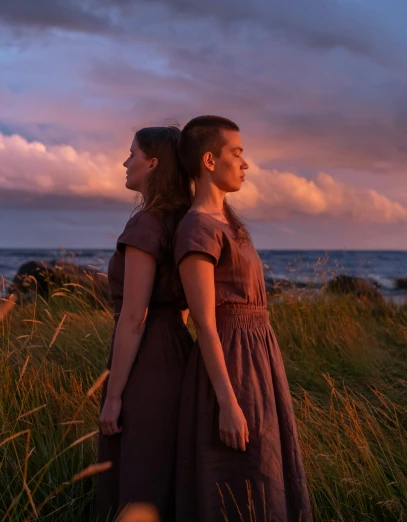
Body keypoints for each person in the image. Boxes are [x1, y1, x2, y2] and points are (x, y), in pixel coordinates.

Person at [174, 116, 312, 521]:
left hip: (258, 359)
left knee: (268, 474)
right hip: (233, 365)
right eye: (237, 153)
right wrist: (227, 402)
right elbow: (205, 324)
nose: (245, 163)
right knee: (241, 481)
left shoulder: (229, 222)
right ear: (209, 160)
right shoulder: (197, 229)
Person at [97, 126, 194, 522]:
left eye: (131, 153)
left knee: (140, 473)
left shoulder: (146, 226)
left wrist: (114, 395)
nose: (125, 161)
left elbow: (135, 318)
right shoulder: (185, 222)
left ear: (152, 163)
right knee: (169, 469)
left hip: (147, 362)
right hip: (179, 351)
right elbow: (184, 306)